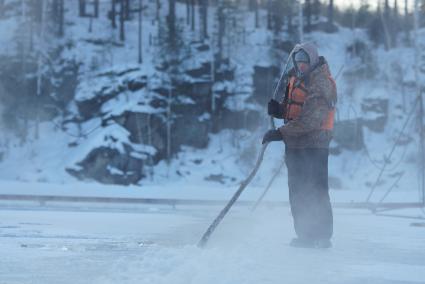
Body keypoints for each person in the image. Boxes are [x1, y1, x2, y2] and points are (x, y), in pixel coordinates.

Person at [262, 42, 337, 249]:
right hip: (295, 144)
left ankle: (322, 236)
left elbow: (311, 119)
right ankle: (305, 234)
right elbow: (294, 111)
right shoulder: (296, 79)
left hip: (314, 145)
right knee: (297, 190)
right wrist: (279, 111)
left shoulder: (322, 83)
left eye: (304, 63)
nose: (301, 66)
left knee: (316, 189)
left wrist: (279, 133)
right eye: (298, 63)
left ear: (312, 60)